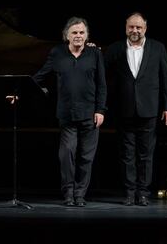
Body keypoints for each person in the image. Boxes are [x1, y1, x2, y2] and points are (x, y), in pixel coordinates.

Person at [31, 16, 107, 207]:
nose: (78, 36)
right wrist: (18, 92)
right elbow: (39, 77)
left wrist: (100, 110)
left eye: (82, 32)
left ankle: (80, 195)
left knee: (86, 157)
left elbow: (102, 85)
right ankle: (68, 193)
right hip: (67, 114)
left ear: (87, 35)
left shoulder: (95, 54)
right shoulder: (57, 53)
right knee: (67, 154)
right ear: (67, 35)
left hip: (90, 114)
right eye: (74, 32)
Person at [104, 12, 167, 206]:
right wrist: (92, 49)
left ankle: (143, 193)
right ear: (126, 28)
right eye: (131, 27)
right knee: (127, 154)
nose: (134, 30)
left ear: (145, 28)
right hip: (124, 109)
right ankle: (129, 192)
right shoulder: (115, 49)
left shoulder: (158, 48)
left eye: (138, 27)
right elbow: (100, 70)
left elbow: (166, 79)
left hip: (149, 109)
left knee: (146, 154)